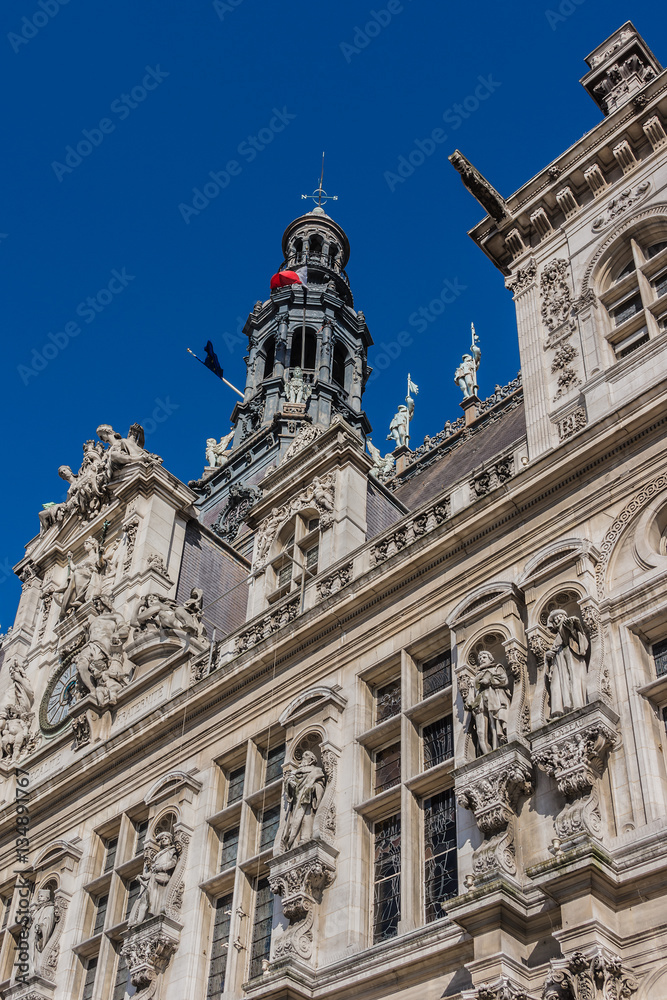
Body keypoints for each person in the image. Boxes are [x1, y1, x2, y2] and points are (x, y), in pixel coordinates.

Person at [128, 831, 179, 927]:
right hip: (153, 878)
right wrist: (143, 876)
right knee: (144, 899)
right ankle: (139, 921)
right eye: (162, 839)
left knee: (152, 900)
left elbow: (173, 863)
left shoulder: (172, 851)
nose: (164, 840)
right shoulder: (157, 855)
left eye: (166, 838)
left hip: (160, 878)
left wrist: (161, 868)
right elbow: (151, 871)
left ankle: (152, 915)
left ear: (170, 840)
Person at [464, 650, 510, 755]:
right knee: (480, 732)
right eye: (480, 659)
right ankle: (486, 754)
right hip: (479, 702)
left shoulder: (496, 668)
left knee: (494, 724)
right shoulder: (477, 674)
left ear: (490, 658)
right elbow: (474, 691)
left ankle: (496, 747)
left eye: (484, 657)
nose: (481, 660)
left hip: (493, 697)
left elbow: (504, 680)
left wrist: (490, 681)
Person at [545, 609, 589, 718]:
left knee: (574, 681)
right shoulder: (556, 639)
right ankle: (558, 711)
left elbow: (582, 645)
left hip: (573, 659)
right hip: (559, 663)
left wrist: (572, 631)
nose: (558, 620)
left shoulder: (573, 627)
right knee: (557, 685)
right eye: (556, 619)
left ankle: (577, 704)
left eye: (559, 617)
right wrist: (549, 656)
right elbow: (555, 649)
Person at [281, 750, 326, 850]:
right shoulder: (296, 772)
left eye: (306, 755)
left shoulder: (316, 771)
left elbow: (320, 786)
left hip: (308, 799)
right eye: (303, 756)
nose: (303, 757)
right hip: (297, 802)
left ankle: (305, 838)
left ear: (312, 759)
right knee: (294, 822)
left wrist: (313, 788)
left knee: (307, 817)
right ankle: (294, 842)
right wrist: (289, 782)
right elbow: (290, 786)